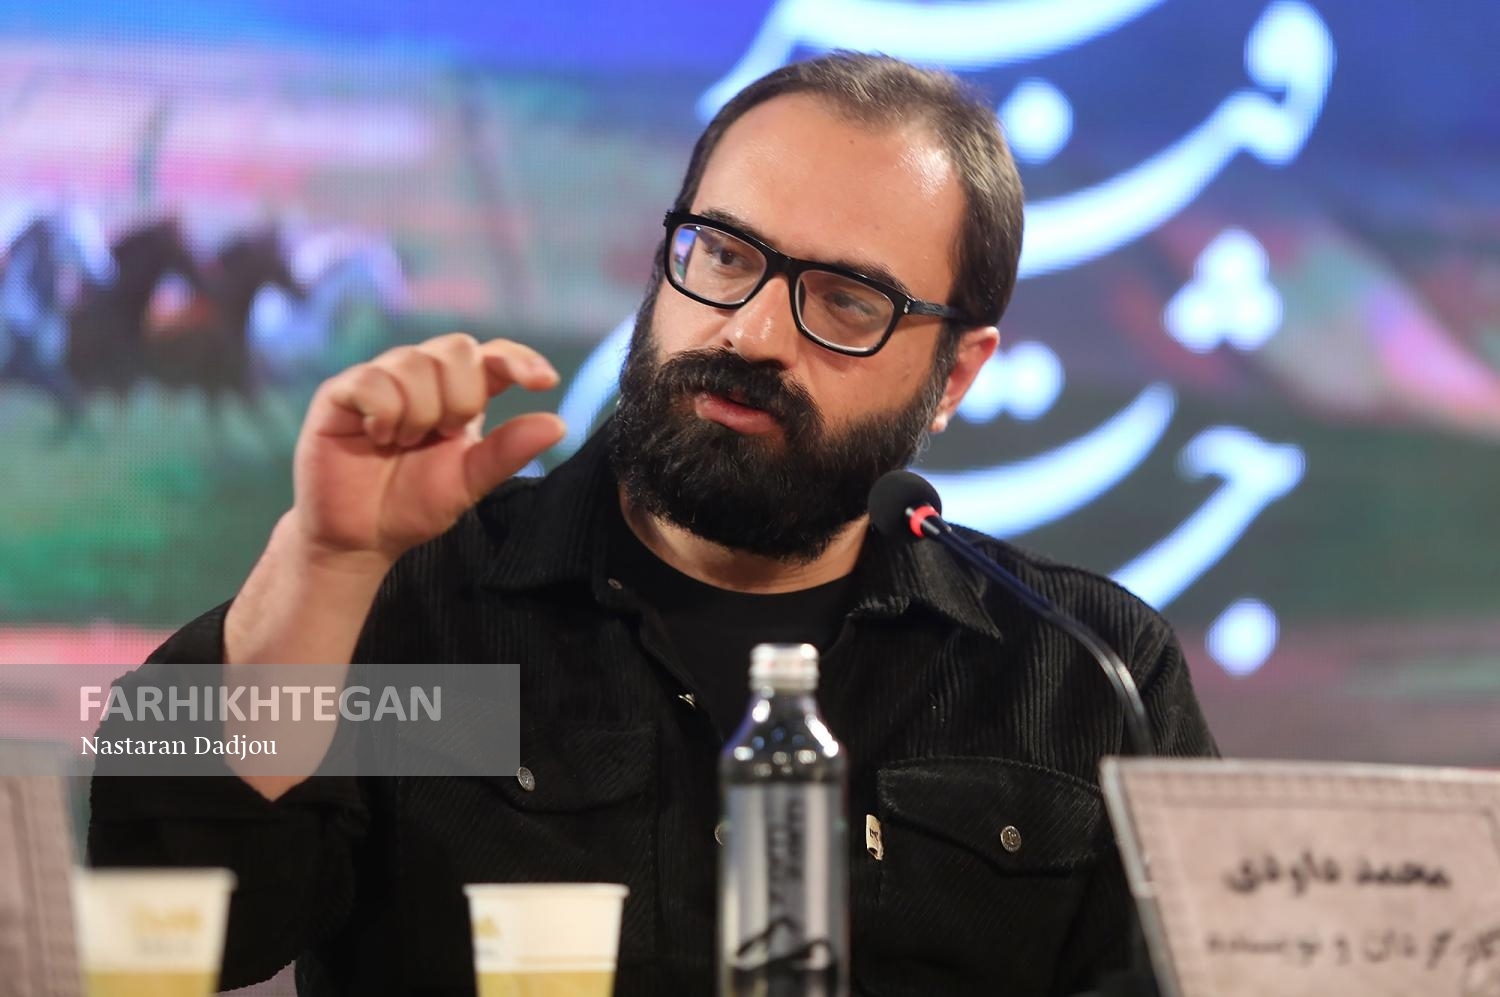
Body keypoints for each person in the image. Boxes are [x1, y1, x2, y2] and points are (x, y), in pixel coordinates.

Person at [89, 53, 1216, 996]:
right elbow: (151, 915)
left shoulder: (1083, 673)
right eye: (723, 254)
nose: (751, 332)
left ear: (956, 374)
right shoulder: (422, 608)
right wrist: (323, 561)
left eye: (845, 301)